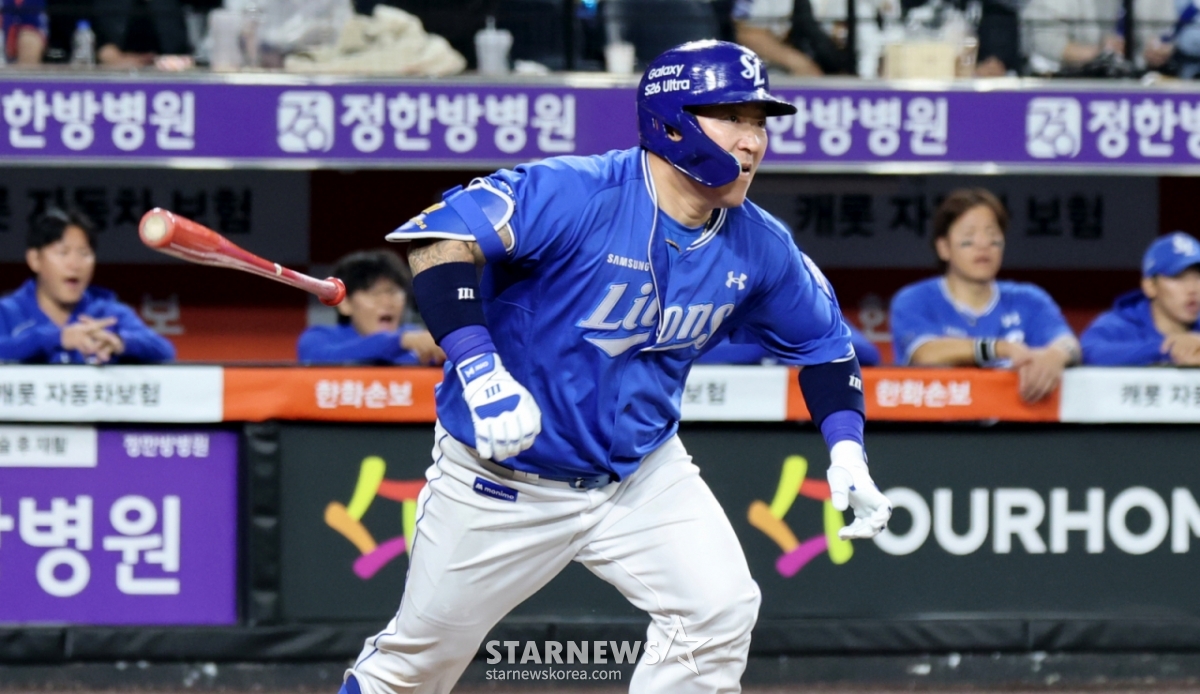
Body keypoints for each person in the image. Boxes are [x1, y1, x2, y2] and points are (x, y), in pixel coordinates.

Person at [340, 40, 892, 694]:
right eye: (733, 117)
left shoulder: (759, 244)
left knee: (718, 609)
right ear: (672, 120)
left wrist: (848, 452)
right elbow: (437, 239)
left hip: (641, 475)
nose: (753, 141)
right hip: (501, 480)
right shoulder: (579, 191)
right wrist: (480, 369)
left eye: (760, 120)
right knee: (414, 669)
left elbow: (827, 347)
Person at [889, 189, 1080, 403]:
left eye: (992, 235)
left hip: (1013, 429)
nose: (983, 245)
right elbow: (925, 353)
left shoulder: (1029, 299)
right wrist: (1000, 348)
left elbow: (1068, 343)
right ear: (943, 247)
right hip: (936, 429)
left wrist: (1054, 356)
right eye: (969, 237)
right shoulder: (914, 300)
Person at [0, 209, 175, 364]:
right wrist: (55, 338)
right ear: (35, 259)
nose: (75, 264)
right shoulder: (7, 311)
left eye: (84, 253)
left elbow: (165, 351)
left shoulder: (109, 313)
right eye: (63, 253)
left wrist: (121, 343)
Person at [297, 249, 444, 365]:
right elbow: (321, 360)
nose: (387, 302)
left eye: (393, 292)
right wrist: (401, 341)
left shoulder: (422, 339)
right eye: (374, 293)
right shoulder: (318, 338)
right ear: (345, 303)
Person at [1081, 232, 1200, 366]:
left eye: (1198, 277)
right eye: (1178, 277)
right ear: (1150, 287)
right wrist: (1169, 349)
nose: (1193, 289)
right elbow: (1088, 352)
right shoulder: (1119, 324)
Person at [699, 321, 883, 364]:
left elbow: (868, 353)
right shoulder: (722, 303)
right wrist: (767, 343)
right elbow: (690, 352)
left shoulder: (808, 307)